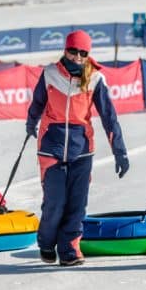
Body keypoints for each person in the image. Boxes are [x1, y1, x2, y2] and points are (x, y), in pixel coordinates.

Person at [25, 30, 129, 267]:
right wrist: (31, 123)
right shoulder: (50, 73)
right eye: (74, 51)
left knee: (77, 203)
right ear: (66, 50)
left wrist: (119, 151)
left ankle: (70, 248)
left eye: (83, 53)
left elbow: (109, 117)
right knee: (55, 201)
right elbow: (38, 101)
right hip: (51, 145)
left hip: (81, 148)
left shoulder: (95, 79)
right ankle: (46, 242)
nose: (78, 57)